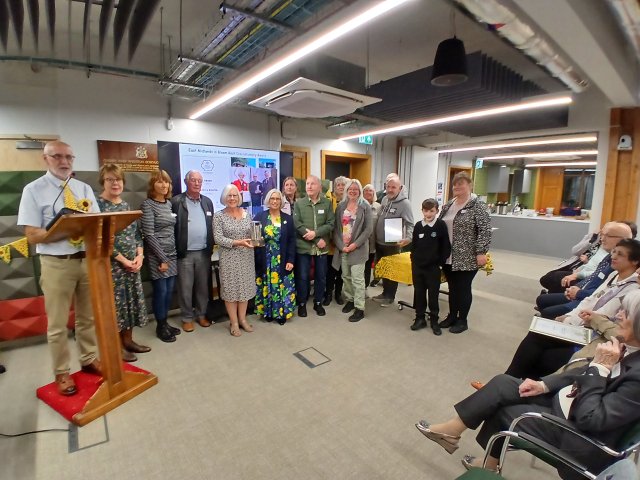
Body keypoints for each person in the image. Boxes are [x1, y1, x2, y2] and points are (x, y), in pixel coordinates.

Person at [415, 288, 640, 479]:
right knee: (503, 384)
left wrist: (600, 368)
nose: (618, 315)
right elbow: (582, 369)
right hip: (571, 402)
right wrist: (544, 385)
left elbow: (592, 418)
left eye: (626, 313)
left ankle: (487, 465)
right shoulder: (627, 348)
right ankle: (453, 432)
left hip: (578, 435)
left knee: (503, 409)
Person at [17, 140, 101, 396]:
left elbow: (97, 223)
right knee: (57, 324)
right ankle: (62, 372)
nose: (64, 162)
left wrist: (89, 230)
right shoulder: (33, 190)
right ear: (45, 159)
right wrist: (64, 230)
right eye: (57, 157)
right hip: (56, 264)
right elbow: (31, 235)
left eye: (69, 157)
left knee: (87, 318)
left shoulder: (83, 188)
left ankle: (88, 359)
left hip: (85, 260)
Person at [503, 238, 640, 381]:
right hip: (581, 325)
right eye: (614, 252)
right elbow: (590, 300)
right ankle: (512, 381)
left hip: (595, 336)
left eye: (620, 254)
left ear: (635, 261)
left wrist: (574, 320)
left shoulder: (632, 290)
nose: (613, 256)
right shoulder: (613, 275)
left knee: (542, 349)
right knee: (537, 334)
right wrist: (568, 317)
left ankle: (513, 382)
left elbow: (601, 315)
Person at [97, 164, 150, 363]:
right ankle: (117, 347)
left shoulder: (126, 206)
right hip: (112, 267)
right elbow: (99, 240)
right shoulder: (97, 206)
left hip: (132, 265)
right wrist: (124, 260)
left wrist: (140, 256)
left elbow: (136, 234)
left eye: (118, 179)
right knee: (115, 309)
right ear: (103, 181)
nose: (115, 183)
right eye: (110, 179)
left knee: (131, 305)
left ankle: (128, 341)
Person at [535, 222, 632, 319]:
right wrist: (575, 288)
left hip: (586, 301)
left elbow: (600, 294)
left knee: (548, 309)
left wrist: (578, 293)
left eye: (607, 235)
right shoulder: (608, 256)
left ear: (622, 239)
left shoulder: (618, 265)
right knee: (543, 296)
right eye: (602, 234)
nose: (602, 238)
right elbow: (593, 276)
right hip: (582, 289)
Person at [438, 172, 491, 334]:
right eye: (455, 184)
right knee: (453, 287)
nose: (457, 187)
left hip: (468, 255)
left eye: (461, 184)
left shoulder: (477, 205)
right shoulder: (449, 205)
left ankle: (463, 320)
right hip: (448, 255)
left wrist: (481, 251)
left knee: (463, 288)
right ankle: (452, 316)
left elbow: (485, 230)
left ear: (470, 185)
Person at [171, 170, 215, 332]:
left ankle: (201, 314)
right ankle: (187, 317)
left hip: (204, 252)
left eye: (199, 181)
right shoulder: (177, 201)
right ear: (186, 181)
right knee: (186, 287)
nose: (197, 184)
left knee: (203, 287)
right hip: (185, 253)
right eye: (193, 180)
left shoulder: (207, 202)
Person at [141, 170, 181, 343]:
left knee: (169, 291)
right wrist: (162, 259)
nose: (164, 185)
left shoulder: (168, 204)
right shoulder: (147, 205)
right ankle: (160, 326)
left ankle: (165, 323)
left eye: (166, 182)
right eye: (160, 182)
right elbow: (148, 235)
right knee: (161, 291)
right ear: (152, 185)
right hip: (158, 256)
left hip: (172, 253)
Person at [213, 184, 256, 336]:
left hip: (246, 258)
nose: (232, 198)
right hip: (229, 258)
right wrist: (238, 242)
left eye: (235, 195)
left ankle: (243, 320)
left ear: (239, 197)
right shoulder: (219, 216)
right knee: (231, 291)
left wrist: (256, 240)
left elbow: (252, 233)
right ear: (224, 197)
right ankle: (234, 322)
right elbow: (218, 238)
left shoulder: (246, 213)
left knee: (244, 289)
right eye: (229, 195)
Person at [293, 175, 335, 317]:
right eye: (307, 184)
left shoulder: (327, 203)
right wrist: (316, 239)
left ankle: (318, 303)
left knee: (321, 276)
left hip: (322, 248)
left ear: (319, 187)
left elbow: (330, 223)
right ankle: (302, 303)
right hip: (304, 246)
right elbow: (297, 224)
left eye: (312, 184)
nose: (309, 186)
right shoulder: (299, 203)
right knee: (303, 276)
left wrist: (316, 234)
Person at [253, 189, 296, 325]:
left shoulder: (287, 219)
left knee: (281, 286)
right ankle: (268, 312)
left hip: (281, 258)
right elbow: (254, 238)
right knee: (267, 284)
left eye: (277, 199)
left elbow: (291, 241)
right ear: (268, 200)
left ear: (281, 201)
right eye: (272, 199)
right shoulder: (260, 216)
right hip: (264, 258)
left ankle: (281, 313)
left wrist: (290, 260)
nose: (275, 201)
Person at [332, 179, 372, 322]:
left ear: (360, 191)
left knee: (357, 279)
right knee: (346, 277)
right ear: (347, 190)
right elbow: (336, 229)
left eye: (356, 189)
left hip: (358, 249)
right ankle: (350, 300)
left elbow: (368, 230)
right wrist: (341, 245)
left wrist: (354, 245)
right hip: (343, 249)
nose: (353, 191)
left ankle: (359, 308)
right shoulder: (341, 206)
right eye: (350, 189)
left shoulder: (365, 206)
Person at [410, 199, 451, 335]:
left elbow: (446, 247)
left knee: (433, 296)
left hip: (433, 268)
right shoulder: (418, 226)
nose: (428, 213)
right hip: (418, 267)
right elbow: (414, 246)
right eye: (425, 210)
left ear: (437, 211)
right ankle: (420, 318)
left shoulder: (440, 225)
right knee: (419, 293)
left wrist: (439, 264)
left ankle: (434, 320)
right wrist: (414, 261)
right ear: (422, 210)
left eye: (431, 211)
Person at [372, 173, 414, 307]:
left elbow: (410, 223)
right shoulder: (384, 199)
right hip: (379, 242)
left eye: (393, 187)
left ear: (399, 188)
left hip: (392, 244)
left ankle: (390, 297)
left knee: (391, 270)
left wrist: (408, 238)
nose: (390, 189)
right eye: (388, 186)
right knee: (383, 269)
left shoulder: (405, 203)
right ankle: (384, 293)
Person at [325, 176, 349, 306]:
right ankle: (328, 293)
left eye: (343, 185)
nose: (340, 187)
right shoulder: (328, 200)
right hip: (330, 244)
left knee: (341, 271)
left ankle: (338, 293)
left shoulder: (349, 201)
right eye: (338, 185)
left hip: (343, 243)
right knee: (330, 271)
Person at [362, 184, 381, 289]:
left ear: (374, 193)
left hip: (373, 241)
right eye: (366, 190)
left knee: (368, 264)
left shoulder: (378, 207)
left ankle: (365, 286)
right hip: (361, 241)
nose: (368, 193)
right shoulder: (359, 204)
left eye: (370, 191)